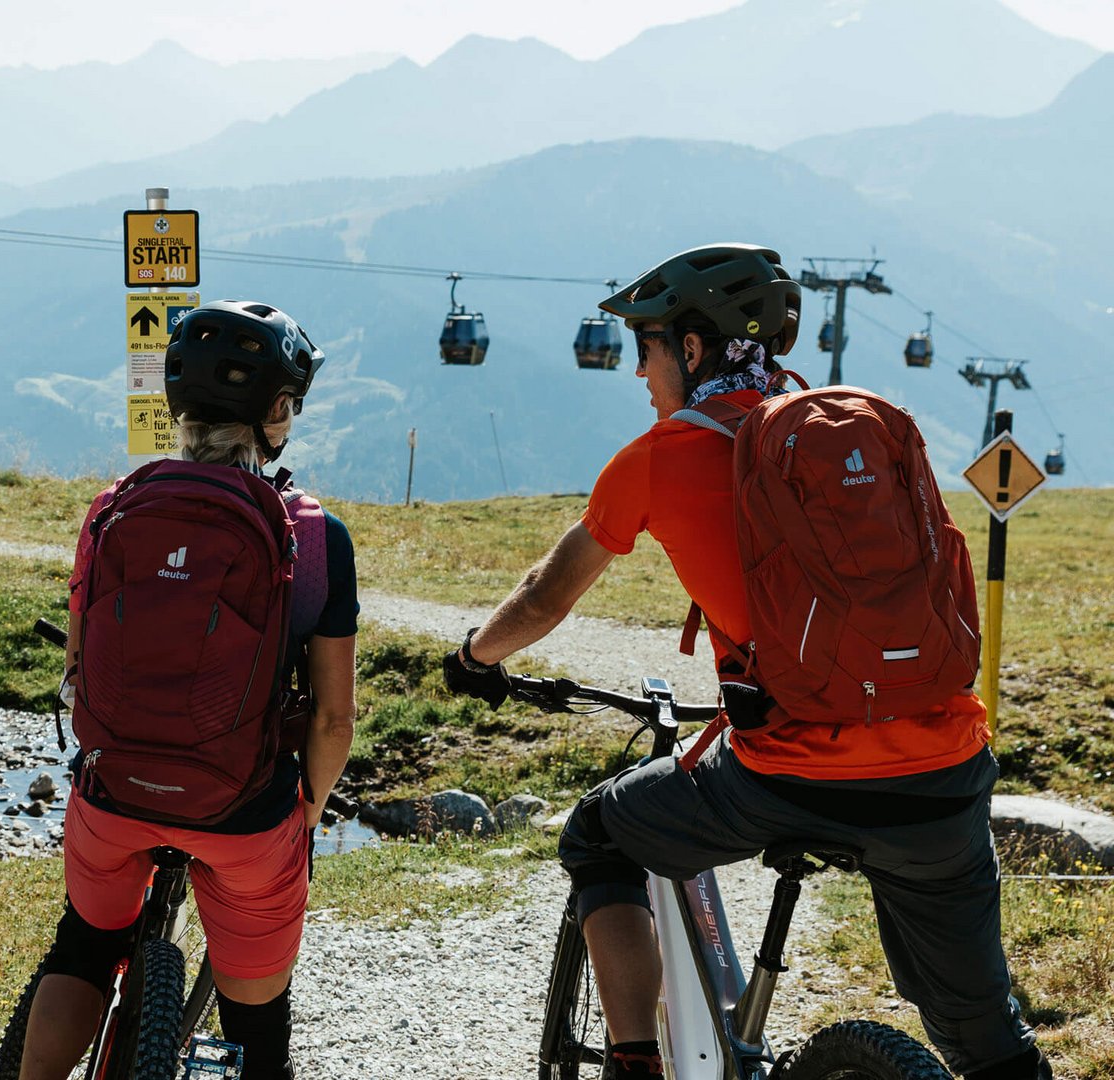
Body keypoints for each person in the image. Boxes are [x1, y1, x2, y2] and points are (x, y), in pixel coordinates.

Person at [441, 244, 1049, 1080]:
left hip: (787, 774)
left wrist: (475, 656)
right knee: (985, 1035)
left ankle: (634, 1064)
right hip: (942, 771)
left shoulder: (656, 459)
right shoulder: (852, 439)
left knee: (598, 836)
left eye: (644, 349)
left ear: (691, 350)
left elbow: (546, 599)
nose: (638, 373)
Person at [16, 300, 359, 1080]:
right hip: (244, 814)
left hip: (113, 796)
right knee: (255, 1018)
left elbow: (78, 665)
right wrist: (306, 807)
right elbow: (335, 719)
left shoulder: (113, 508)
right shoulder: (312, 535)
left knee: (85, 943)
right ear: (277, 411)